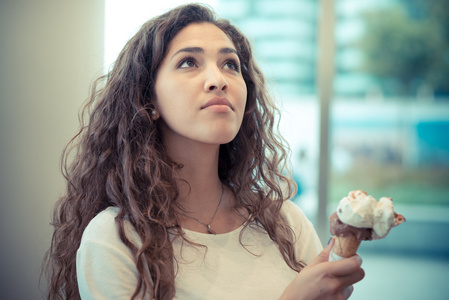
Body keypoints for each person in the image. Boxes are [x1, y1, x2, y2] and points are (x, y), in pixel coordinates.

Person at [44, 3, 364, 300]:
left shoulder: (286, 222)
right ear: (149, 100)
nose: (218, 79)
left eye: (230, 64)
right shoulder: (115, 238)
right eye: (188, 62)